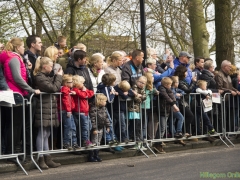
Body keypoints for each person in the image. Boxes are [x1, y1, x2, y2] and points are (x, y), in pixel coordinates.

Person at [0, 37, 40, 155]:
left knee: (13, 125)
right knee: (15, 125)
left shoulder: (12, 58)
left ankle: (11, 150)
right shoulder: (14, 59)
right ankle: (11, 151)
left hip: (14, 93)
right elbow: (18, 78)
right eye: (22, 46)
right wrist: (31, 90)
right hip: (16, 94)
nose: (24, 48)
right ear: (17, 47)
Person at [34, 57, 62, 169]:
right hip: (43, 106)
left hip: (49, 106)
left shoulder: (46, 76)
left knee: (47, 134)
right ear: (45, 66)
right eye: (51, 66)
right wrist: (59, 76)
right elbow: (53, 88)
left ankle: (47, 157)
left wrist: (56, 76)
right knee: (42, 133)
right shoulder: (39, 77)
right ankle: (41, 159)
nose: (52, 68)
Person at [215, 60, 240, 132]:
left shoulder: (228, 76)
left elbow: (230, 86)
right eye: (229, 66)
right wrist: (230, 91)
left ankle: (227, 131)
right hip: (222, 99)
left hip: (228, 100)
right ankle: (222, 131)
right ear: (224, 67)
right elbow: (219, 87)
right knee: (222, 116)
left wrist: (236, 90)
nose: (230, 68)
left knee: (227, 116)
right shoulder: (219, 75)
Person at [157, 77, 179, 153]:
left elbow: (172, 96)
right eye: (169, 84)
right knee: (162, 127)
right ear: (166, 85)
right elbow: (166, 97)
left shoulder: (168, 89)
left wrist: (174, 102)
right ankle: (158, 144)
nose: (170, 86)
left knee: (164, 127)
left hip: (167, 110)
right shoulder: (161, 88)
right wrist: (173, 104)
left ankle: (159, 141)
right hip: (163, 110)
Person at [72, 75, 94, 148]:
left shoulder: (82, 90)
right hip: (80, 111)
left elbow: (91, 93)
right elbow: (83, 95)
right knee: (84, 127)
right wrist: (85, 92)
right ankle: (85, 141)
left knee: (89, 126)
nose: (83, 85)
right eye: (82, 83)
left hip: (85, 111)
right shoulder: (75, 90)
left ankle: (85, 140)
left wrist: (85, 91)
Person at [60, 74, 80, 150]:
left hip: (69, 110)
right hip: (66, 111)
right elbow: (66, 100)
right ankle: (66, 142)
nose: (72, 83)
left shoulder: (68, 90)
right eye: (70, 82)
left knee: (72, 126)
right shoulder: (65, 89)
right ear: (65, 83)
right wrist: (68, 110)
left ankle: (73, 142)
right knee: (68, 126)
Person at [174, 65, 195, 137]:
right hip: (180, 102)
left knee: (186, 116)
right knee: (189, 116)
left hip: (184, 101)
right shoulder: (179, 81)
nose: (186, 73)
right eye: (185, 72)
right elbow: (188, 90)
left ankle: (186, 132)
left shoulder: (184, 81)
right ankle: (183, 131)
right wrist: (193, 82)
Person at [89, 93, 111, 162]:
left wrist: (108, 126)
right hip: (96, 128)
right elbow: (93, 120)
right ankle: (91, 155)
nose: (105, 102)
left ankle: (97, 154)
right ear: (99, 101)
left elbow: (106, 118)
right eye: (104, 101)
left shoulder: (104, 108)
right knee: (94, 141)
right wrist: (94, 128)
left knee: (98, 141)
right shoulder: (93, 109)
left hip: (101, 127)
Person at [128, 76, 147, 142]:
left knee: (138, 124)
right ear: (137, 81)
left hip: (137, 109)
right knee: (134, 124)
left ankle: (137, 136)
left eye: (143, 83)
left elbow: (145, 96)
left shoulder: (142, 89)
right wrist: (140, 98)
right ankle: (132, 137)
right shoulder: (134, 87)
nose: (141, 84)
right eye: (140, 82)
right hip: (133, 109)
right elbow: (136, 98)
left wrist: (140, 96)